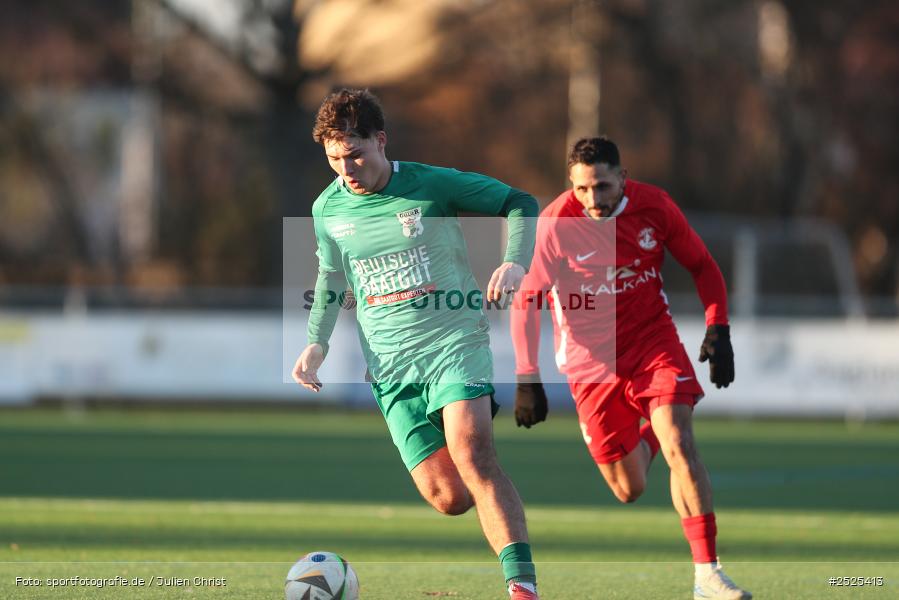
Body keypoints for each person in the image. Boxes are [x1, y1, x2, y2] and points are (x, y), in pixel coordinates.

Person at [292, 88, 541, 600]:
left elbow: (520, 202)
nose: (347, 169)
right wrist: (316, 342)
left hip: (455, 341)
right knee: (449, 496)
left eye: (356, 154)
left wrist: (515, 260)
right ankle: (492, 501)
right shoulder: (327, 208)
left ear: (381, 141)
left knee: (474, 456)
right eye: (335, 158)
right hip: (390, 366)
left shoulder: (432, 185)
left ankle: (522, 587)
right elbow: (331, 275)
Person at [510, 136, 751, 600]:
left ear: (622, 177)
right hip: (590, 364)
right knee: (628, 488)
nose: (592, 200)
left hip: (651, 344)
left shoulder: (656, 207)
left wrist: (718, 328)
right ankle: (655, 429)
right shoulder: (557, 222)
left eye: (602, 186)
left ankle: (708, 575)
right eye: (582, 189)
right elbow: (527, 300)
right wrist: (527, 375)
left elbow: (703, 266)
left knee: (680, 443)